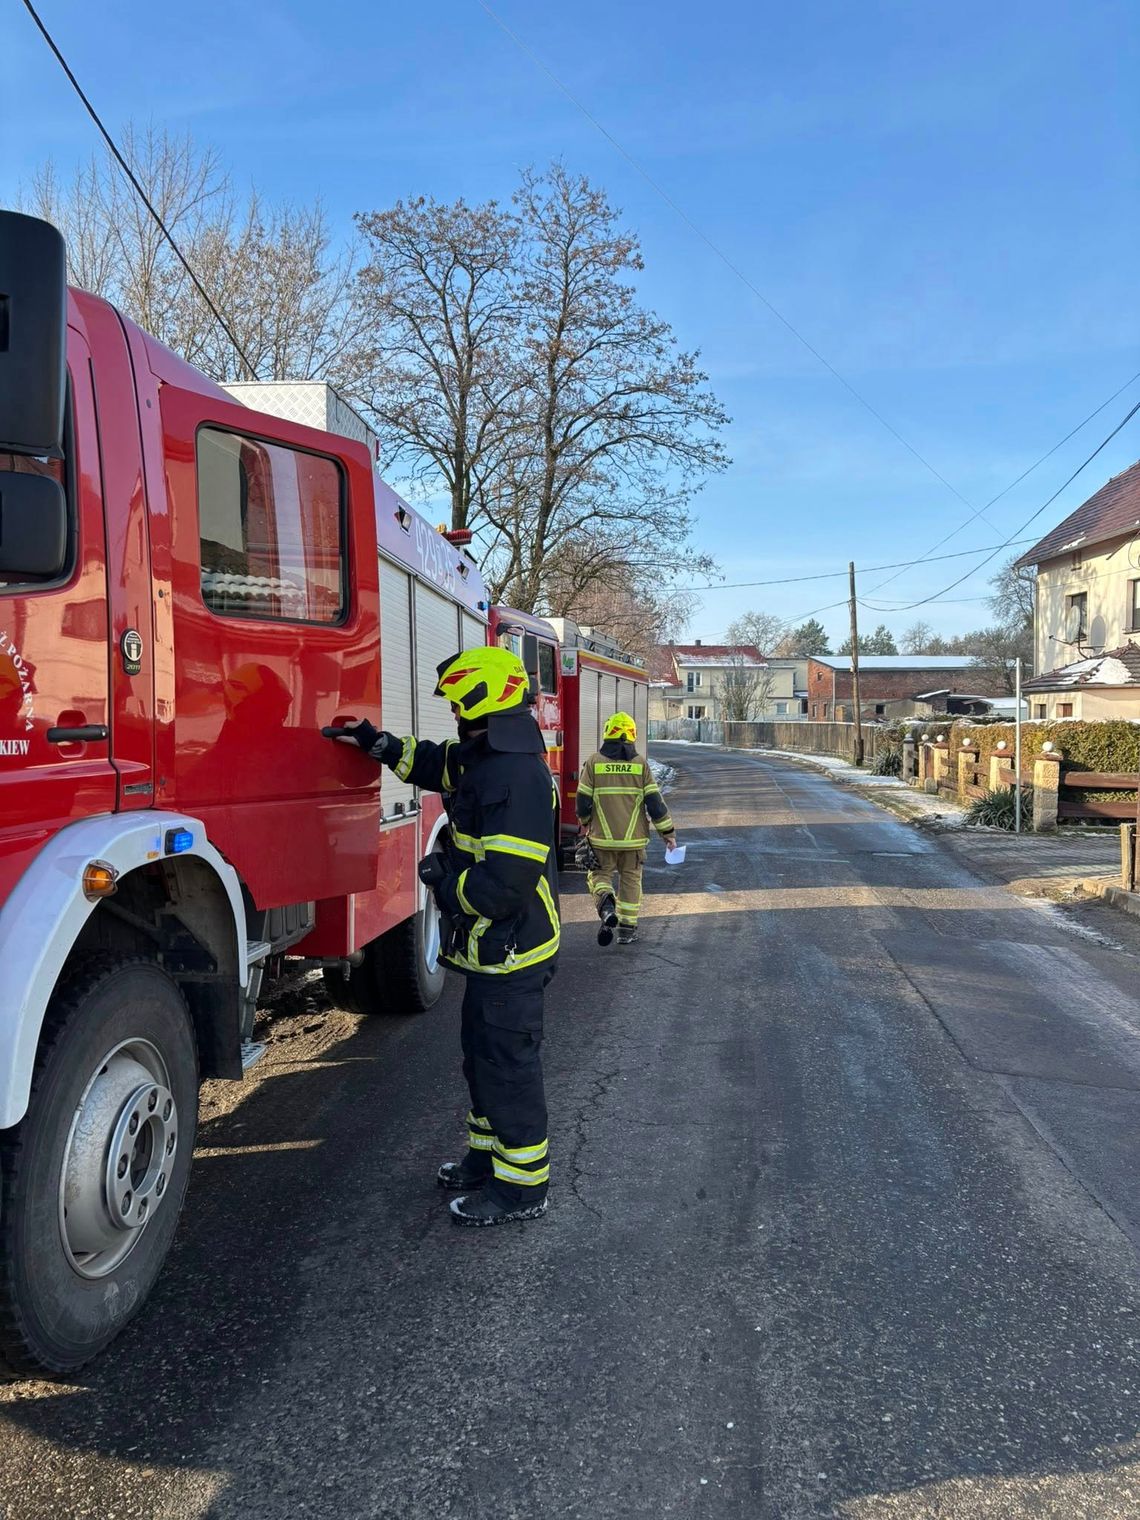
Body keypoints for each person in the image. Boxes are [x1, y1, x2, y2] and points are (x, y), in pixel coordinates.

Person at [326, 646, 559, 1228]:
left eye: (458, 702)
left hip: (513, 950)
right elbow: (436, 763)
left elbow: (503, 888)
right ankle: (486, 1159)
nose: (453, 712)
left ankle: (522, 1188)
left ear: (484, 702)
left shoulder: (516, 776)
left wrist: (442, 881)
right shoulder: (487, 754)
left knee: (506, 1067)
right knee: (481, 1060)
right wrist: (378, 745)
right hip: (492, 952)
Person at [576, 712, 677, 947]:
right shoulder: (640, 765)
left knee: (599, 876)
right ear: (632, 735)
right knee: (631, 882)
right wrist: (668, 834)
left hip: (601, 840)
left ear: (607, 733)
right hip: (633, 842)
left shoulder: (593, 762)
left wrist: (585, 821)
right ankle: (627, 930)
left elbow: (582, 801)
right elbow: (655, 804)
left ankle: (606, 904)